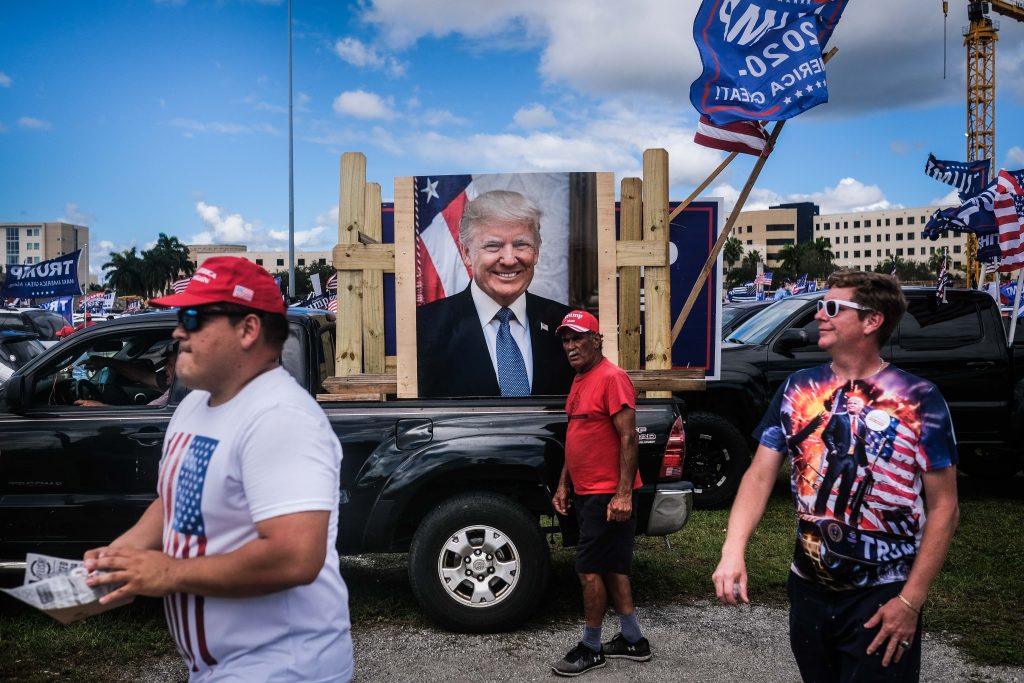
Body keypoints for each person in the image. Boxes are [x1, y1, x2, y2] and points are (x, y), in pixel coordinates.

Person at [83, 256, 353, 682]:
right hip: (219, 668)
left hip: (283, 667)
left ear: (247, 329)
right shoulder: (194, 403)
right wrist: (123, 556)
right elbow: (174, 502)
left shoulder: (280, 416)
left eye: (193, 317)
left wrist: (167, 573)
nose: (177, 331)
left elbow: (296, 557)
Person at [712, 270, 959, 682]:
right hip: (808, 589)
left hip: (883, 595)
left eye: (830, 308)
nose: (818, 317)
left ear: (870, 320)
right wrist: (732, 549)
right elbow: (758, 475)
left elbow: (945, 507)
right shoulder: (796, 388)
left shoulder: (920, 399)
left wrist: (910, 602)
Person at [550, 310, 649, 677]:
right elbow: (577, 437)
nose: (571, 346)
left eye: (578, 338)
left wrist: (622, 495)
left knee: (589, 569)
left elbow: (628, 437)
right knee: (611, 567)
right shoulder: (580, 379)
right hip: (586, 491)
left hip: (608, 494)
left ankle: (592, 647)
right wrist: (564, 483)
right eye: (566, 340)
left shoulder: (612, 378)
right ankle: (634, 640)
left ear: (597, 340)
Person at [416, 190, 574, 398]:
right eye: (493, 246)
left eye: (521, 244)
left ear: (536, 251)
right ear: (466, 253)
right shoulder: (424, 328)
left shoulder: (568, 325)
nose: (509, 259)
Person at [814, 392, 868, 521]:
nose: (851, 405)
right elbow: (826, 434)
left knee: (846, 488)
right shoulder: (838, 418)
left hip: (852, 460)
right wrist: (833, 449)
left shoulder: (862, 424)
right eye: (849, 403)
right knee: (827, 484)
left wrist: (865, 465)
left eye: (854, 403)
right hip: (838, 457)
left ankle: (839, 515)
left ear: (860, 407)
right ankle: (819, 512)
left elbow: (860, 447)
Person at [75, 343, 178, 407]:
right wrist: (106, 362)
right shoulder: (174, 383)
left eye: (170, 364)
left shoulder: (179, 392)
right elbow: (144, 376)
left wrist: (101, 407)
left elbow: (143, 416)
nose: (165, 368)